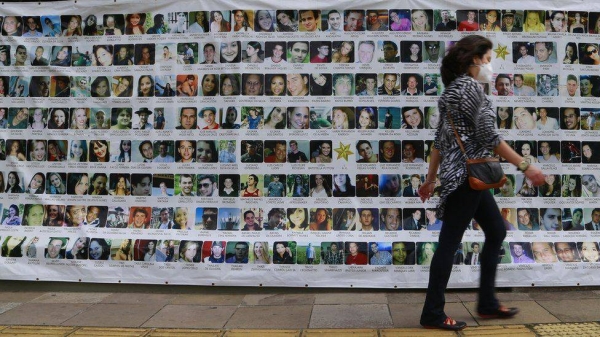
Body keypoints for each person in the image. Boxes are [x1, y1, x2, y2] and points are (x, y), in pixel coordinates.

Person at [418, 35, 545, 330]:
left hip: (465, 177)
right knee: (448, 244)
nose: (490, 65)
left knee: (497, 230)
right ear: (474, 59)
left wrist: (430, 179)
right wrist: (526, 166)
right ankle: (432, 313)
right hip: (467, 178)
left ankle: (486, 303)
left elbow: (439, 141)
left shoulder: (450, 91)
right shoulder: (472, 89)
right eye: (488, 59)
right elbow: (490, 137)